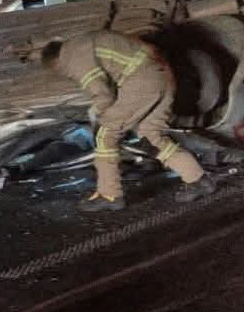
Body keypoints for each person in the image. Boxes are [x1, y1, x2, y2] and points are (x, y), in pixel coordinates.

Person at [41, 31, 216, 212]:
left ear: (55, 63)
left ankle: (109, 195)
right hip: (163, 76)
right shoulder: (86, 40)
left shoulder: (71, 55)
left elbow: (103, 95)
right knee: (151, 137)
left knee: (105, 135)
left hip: (141, 82)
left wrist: (98, 114)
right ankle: (198, 179)